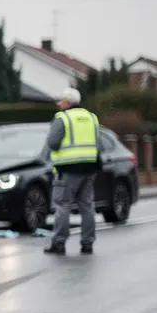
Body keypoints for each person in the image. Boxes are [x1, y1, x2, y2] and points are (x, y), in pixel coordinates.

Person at [44, 87, 106, 256]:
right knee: (87, 206)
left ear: (67, 102)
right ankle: (87, 244)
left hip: (67, 169)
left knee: (62, 206)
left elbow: (53, 143)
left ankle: (59, 243)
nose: (58, 104)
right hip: (89, 168)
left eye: (60, 101)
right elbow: (99, 145)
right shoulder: (91, 118)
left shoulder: (62, 118)